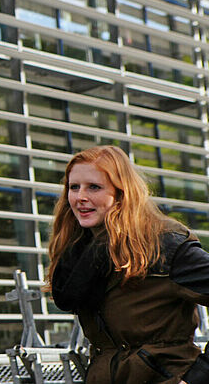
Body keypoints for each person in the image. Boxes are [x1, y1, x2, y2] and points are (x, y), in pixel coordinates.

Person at [46, 145, 209, 384]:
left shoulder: (163, 243)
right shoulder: (79, 252)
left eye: (94, 187)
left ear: (122, 193)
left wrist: (198, 377)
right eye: (73, 187)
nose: (80, 196)